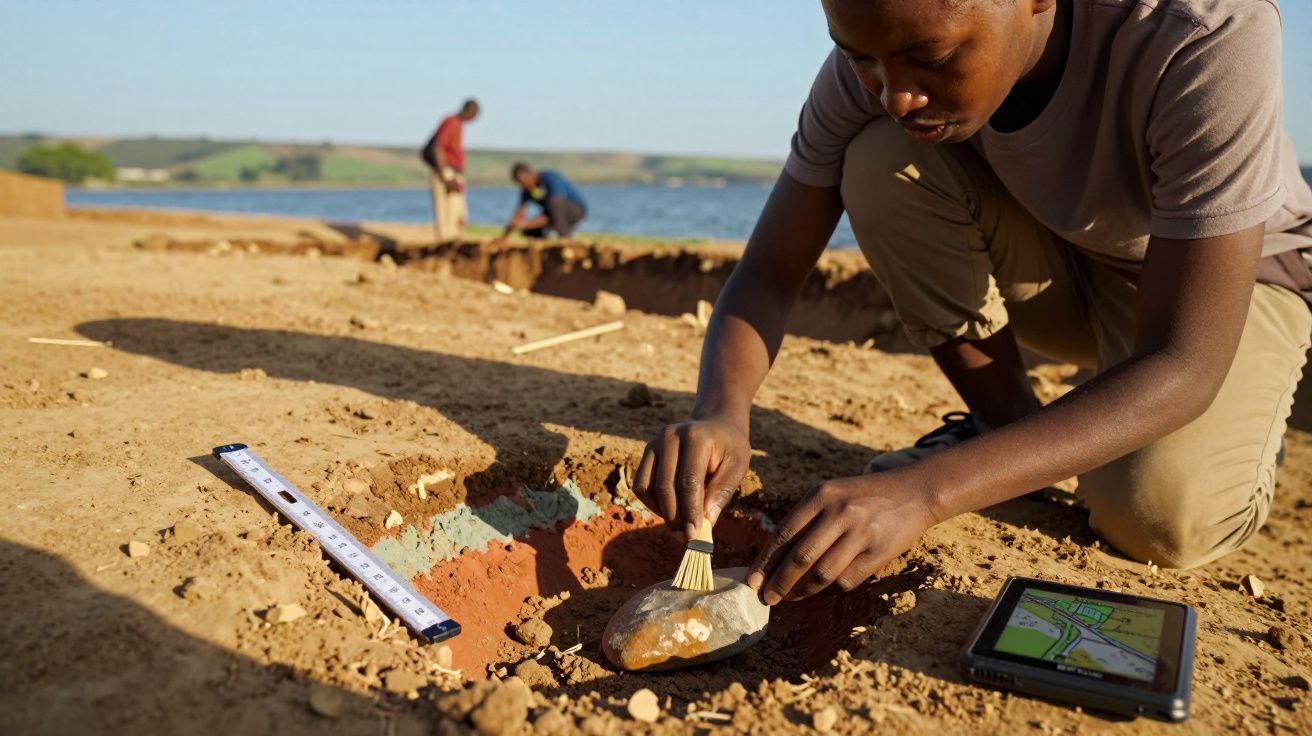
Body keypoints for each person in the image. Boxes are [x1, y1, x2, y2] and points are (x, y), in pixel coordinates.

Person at [632, 0, 1312, 607]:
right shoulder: (884, 50)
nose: (896, 94)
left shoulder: (1202, 30)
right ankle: (1001, 421)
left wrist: (927, 491)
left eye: (932, 59)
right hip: (1063, 271)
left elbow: (1185, 361)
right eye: (861, 58)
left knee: (1160, 518)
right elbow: (770, 270)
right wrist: (721, 412)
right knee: (876, 157)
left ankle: (1243, 435)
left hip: (1223, 292)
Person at [423, 99, 479, 243]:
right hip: (448, 175)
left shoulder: (457, 124)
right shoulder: (451, 122)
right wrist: (447, 176)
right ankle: (446, 246)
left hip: (454, 175)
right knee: (447, 216)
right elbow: (438, 147)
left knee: (458, 216)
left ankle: (453, 244)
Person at [495, 163, 587, 241]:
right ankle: (550, 235)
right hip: (552, 215)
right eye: (521, 184)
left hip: (575, 211)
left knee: (554, 203)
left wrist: (527, 223)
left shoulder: (550, 178)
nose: (524, 186)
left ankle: (565, 236)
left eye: (525, 182)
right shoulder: (526, 189)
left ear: (531, 173)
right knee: (528, 231)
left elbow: (556, 209)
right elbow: (519, 214)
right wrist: (504, 236)